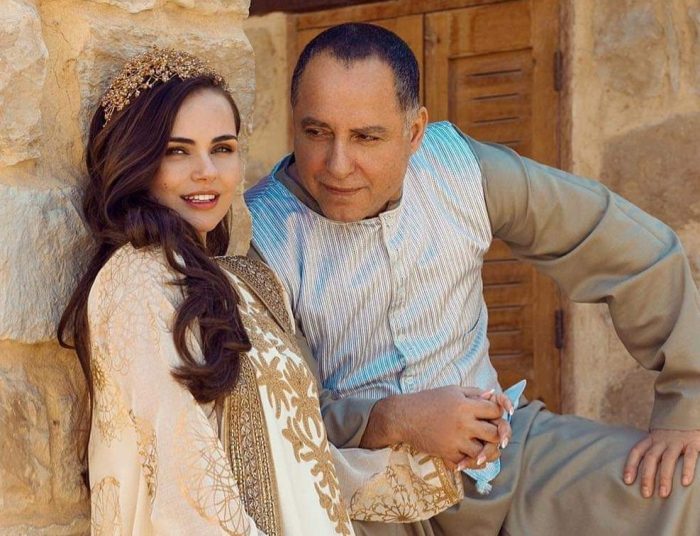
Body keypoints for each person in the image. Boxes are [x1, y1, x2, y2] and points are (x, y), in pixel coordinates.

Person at [245, 23, 700, 535]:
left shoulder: (462, 168)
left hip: (503, 463)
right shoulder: (259, 240)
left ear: (414, 132)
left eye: (366, 137)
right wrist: (396, 419)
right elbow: (281, 417)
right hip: (359, 497)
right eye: (316, 133)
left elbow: (622, 242)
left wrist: (688, 401)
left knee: (685, 488)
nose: (337, 165)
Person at [57, 47, 472, 535]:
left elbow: (301, 463)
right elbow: (185, 494)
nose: (207, 170)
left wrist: (427, 465)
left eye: (222, 148)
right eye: (177, 151)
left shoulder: (245, 281)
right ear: (137, 161)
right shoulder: (137, 281)